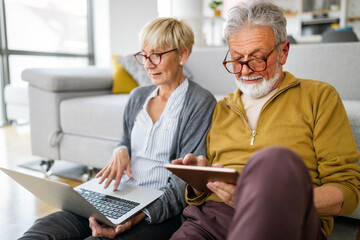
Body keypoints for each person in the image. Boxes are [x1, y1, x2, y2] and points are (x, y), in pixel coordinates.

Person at [170, 1, 360, 240]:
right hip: (213, 220)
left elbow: (348, 193)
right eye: (237, 60)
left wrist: (265, 201)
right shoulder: (222, 108)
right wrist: (199, 181)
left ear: (284, 51)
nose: (246, 70)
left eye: (257, 58)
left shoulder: (319, 97)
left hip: (286, 219)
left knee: (274, 160)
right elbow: (205, 192)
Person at [20, 18, 216, 240]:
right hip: (116, 194)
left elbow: (185, 182)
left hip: (156, 210)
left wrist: (136, 215)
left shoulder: (200, 102)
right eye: (144, 55)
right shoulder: (138, 96)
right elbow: (125, 140)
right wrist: (121, 149)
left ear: (182, 55)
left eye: (157, 55)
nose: (148, 64)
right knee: (46, 228)